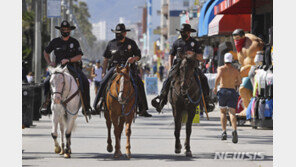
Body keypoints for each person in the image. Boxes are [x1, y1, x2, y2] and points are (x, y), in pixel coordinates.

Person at [93, 23, 152, 117]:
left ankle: (142, 108)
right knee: (103, 82)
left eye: (120, 33)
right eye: (116, 33)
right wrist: (104, 72)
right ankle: (97, 106)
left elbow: (138, 56)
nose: (118, 35)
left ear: (125, 33)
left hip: (128, 68)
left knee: (139, 84)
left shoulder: (131, 43)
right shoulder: (111, 43)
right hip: (114, 68)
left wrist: (133, 59)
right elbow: (105, 59)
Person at [151, 24, 210, 112]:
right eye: (181, 32)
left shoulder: (195, 43)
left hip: (192, 66)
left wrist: (193, 54)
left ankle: (207, 100)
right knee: (168, 79)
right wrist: (171, 67)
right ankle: (162, 100)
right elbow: (171, 55)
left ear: (189, 33)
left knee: (203, 79)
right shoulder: (177, 42)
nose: (183, 33)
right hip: (178, 66)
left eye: (185, 32)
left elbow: (201, 57)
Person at [40, 20, 93, 115]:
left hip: (73, 67)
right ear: (60, 30)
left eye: (67, 29)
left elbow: (79, 56)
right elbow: (45, 52)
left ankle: (87, 106)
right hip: (58, 68)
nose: (65, 31)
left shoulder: (74, 42)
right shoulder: (55, 41)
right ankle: (46, 104)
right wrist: (49, 62)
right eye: (63, 29)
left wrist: (68, 60)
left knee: (85, 81)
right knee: (46, 82)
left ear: (70, 30)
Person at [213, 53, 241, 143]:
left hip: (223, 91)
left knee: (223, 112)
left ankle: (224, 132)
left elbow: (218, 77)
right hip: (232, 91)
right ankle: (234, 130)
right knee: (232, 113)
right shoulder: (235, 70)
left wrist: (215, 87)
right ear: (232, 60)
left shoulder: (221, 68)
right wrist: (234, 82)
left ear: (224, 60)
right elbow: (239, 81)